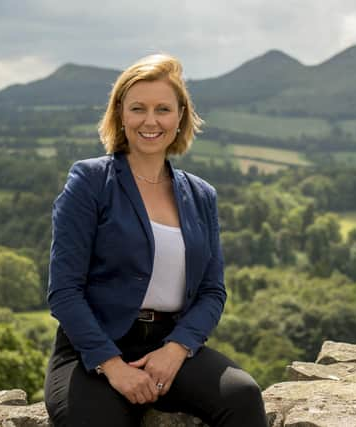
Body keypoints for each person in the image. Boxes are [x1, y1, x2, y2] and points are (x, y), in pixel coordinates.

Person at [44, 53, 268, 427]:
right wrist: (113, 366)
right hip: (93, 351)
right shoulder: (90, 182)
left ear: (180, 116)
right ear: (120, 114)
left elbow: (213, 291)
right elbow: (64, 291)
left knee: (242, 396)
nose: (151, 121)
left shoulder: (201, 195)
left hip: (170, 345)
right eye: (138, 109)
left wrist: (178, 348)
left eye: (163, 109)